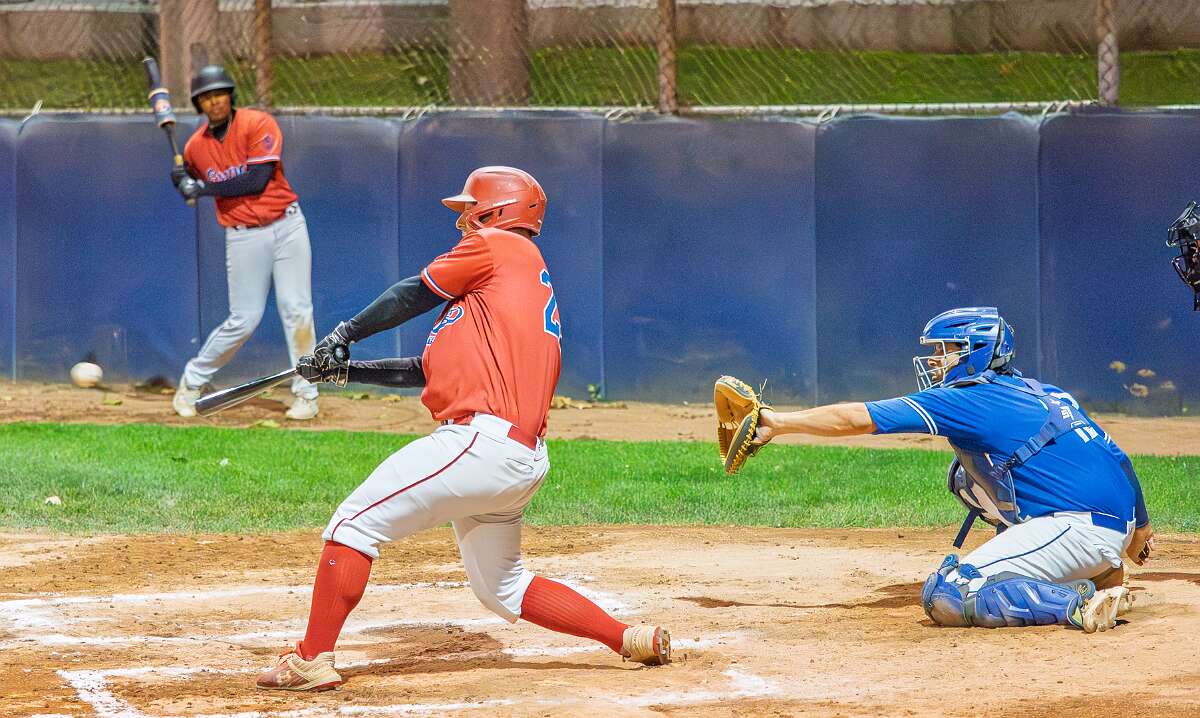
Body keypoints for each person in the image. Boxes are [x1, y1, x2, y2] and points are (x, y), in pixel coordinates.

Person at [255, 166, 670, 691]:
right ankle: (627, 637)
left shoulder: (498, 246)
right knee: (503, 586)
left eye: (471, 208)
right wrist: (345, 371)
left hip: (481, 443)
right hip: (515, 458)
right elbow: (425, 371)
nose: (464, 220)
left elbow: (413, 292)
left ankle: (310, 658)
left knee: (353, 526)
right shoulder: (498, 290)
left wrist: (344, 334)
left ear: (497, 211)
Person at [749, 307, 1152, 633]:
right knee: (965, 478)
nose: (936, 360)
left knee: (949, 592)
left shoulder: (967, 399)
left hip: (1076, 530)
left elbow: (858, 418)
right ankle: (1098, 574)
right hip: (1109, 527)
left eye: (948, 349)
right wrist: (1140, 532)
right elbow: (1119, 459)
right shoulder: (1046, 391)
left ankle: (1076, 602)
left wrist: (776, 422)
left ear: (977, 353)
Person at [170, 64, 319, 421]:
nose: (215, 101)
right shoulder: (194, 148)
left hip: (287, 225)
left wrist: (200, 187)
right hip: (243, 235)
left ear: (230, 96)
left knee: (297, 309)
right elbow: (191, 184)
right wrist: (181, 180)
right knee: (244, 319)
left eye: (220, 94)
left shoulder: (257, 123)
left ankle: (307, 394)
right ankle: (192, 381)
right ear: (199, 104)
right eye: (207, 97)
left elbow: (257, 179)